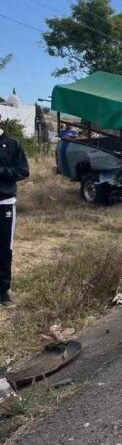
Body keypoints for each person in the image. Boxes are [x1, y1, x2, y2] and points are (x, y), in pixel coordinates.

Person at [0, 114, 31, 307]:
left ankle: (2, 292)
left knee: (3, 248)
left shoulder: (12, 144)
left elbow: (23, 171)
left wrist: (1, 171)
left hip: (4, 203)